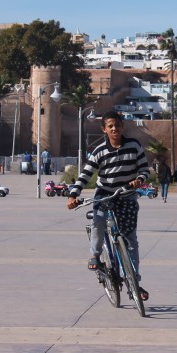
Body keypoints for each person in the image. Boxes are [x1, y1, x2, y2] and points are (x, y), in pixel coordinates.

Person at [67, 111, 150, 300]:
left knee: (131, 241)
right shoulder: (99, 152)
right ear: (104, 129)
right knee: (99, 221)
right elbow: (86, 175)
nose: (114, 129)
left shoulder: (133, 146)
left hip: (127, 195)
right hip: (105, 193)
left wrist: (139, 179)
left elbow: (144, 169)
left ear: (122, 127)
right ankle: (95, 254)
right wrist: (73, 194)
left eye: (117, 125)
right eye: (110, 126)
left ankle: (134, 282)